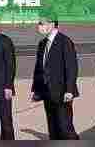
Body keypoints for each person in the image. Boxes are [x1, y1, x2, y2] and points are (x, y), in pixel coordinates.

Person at [31, 12, 79, 140]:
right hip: (47, 92)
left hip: (62, 92)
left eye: (41, 23)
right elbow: (39, 68)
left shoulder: (65, 41)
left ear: (51, 24)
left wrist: (69, 90)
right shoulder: (42, 44)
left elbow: (71, 67)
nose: (39, 26)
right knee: (52, 127)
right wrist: (36, 90)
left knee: (65, 127)